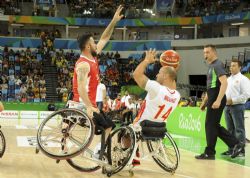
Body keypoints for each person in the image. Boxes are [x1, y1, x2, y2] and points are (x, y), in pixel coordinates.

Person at [72, 5, 124, 143]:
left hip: (88, 104)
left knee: (106, 124)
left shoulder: (92, 57)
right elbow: (81, 88)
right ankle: (99, 154)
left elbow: (105, 38)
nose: (97, 45)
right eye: (94, 43)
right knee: (109, 126)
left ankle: (64, 143)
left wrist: (113, 21)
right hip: (84, 104)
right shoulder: (83, 64)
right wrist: (89, 106)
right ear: (88, 47)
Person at [130, 49, 181, 166]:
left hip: (143, 126)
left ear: (164, 76)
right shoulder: (177, 95)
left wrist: (146, 61)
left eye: (159, 73)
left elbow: (136, 75)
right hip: (160, 129)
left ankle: (132, 156)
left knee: (124, 133)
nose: (156, 74)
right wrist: (173, 69)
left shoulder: (156, 88)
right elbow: (172, 80)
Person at [195, 44, 244, 160]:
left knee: (211, 125)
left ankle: (233, 145)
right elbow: (210, 87)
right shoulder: (211, 66)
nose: (205, 55)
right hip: (213, 96)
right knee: (213, 126)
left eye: (207, 52)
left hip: (217, 97)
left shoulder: (217, 64)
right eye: (204, 52)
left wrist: (217, 100)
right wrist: (204, 102)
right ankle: (231, 145)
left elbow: (224, 83)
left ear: (213, 53)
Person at [221, 59, 250, 157]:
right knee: (230, 130)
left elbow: (246, 94)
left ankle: (241, 151)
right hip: (227, 106)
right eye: (230, 66)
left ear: (240, 67)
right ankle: (231, 149)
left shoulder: (243, 79)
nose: (231, 67)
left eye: (234, 66)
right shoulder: (228, 79)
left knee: (239, 129)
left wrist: (233, 100)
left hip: (237, 106)